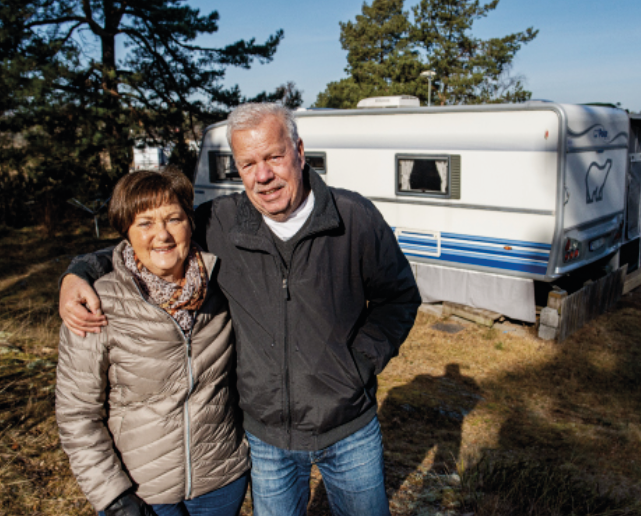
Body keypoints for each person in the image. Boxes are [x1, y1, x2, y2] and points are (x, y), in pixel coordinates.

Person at [59, 103, 422, 516]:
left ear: (299, 152)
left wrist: (359, 362)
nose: (263, 175)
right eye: (248, 163)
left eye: (273, 157)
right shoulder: (221, 221)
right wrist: (77, 272)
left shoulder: (353, 218)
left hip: (349, 426)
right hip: (268, 440)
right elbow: (154, 241)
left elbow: (399, 297)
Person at [56, 169, 250, 516]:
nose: (162, 234)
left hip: (222, 482)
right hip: (143, 493)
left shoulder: (222, 285)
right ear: (126, 232)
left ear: (190, 223)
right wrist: (114, 498)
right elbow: (77, 414)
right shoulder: (97, 304)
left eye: (173, 218)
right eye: (144, 223)